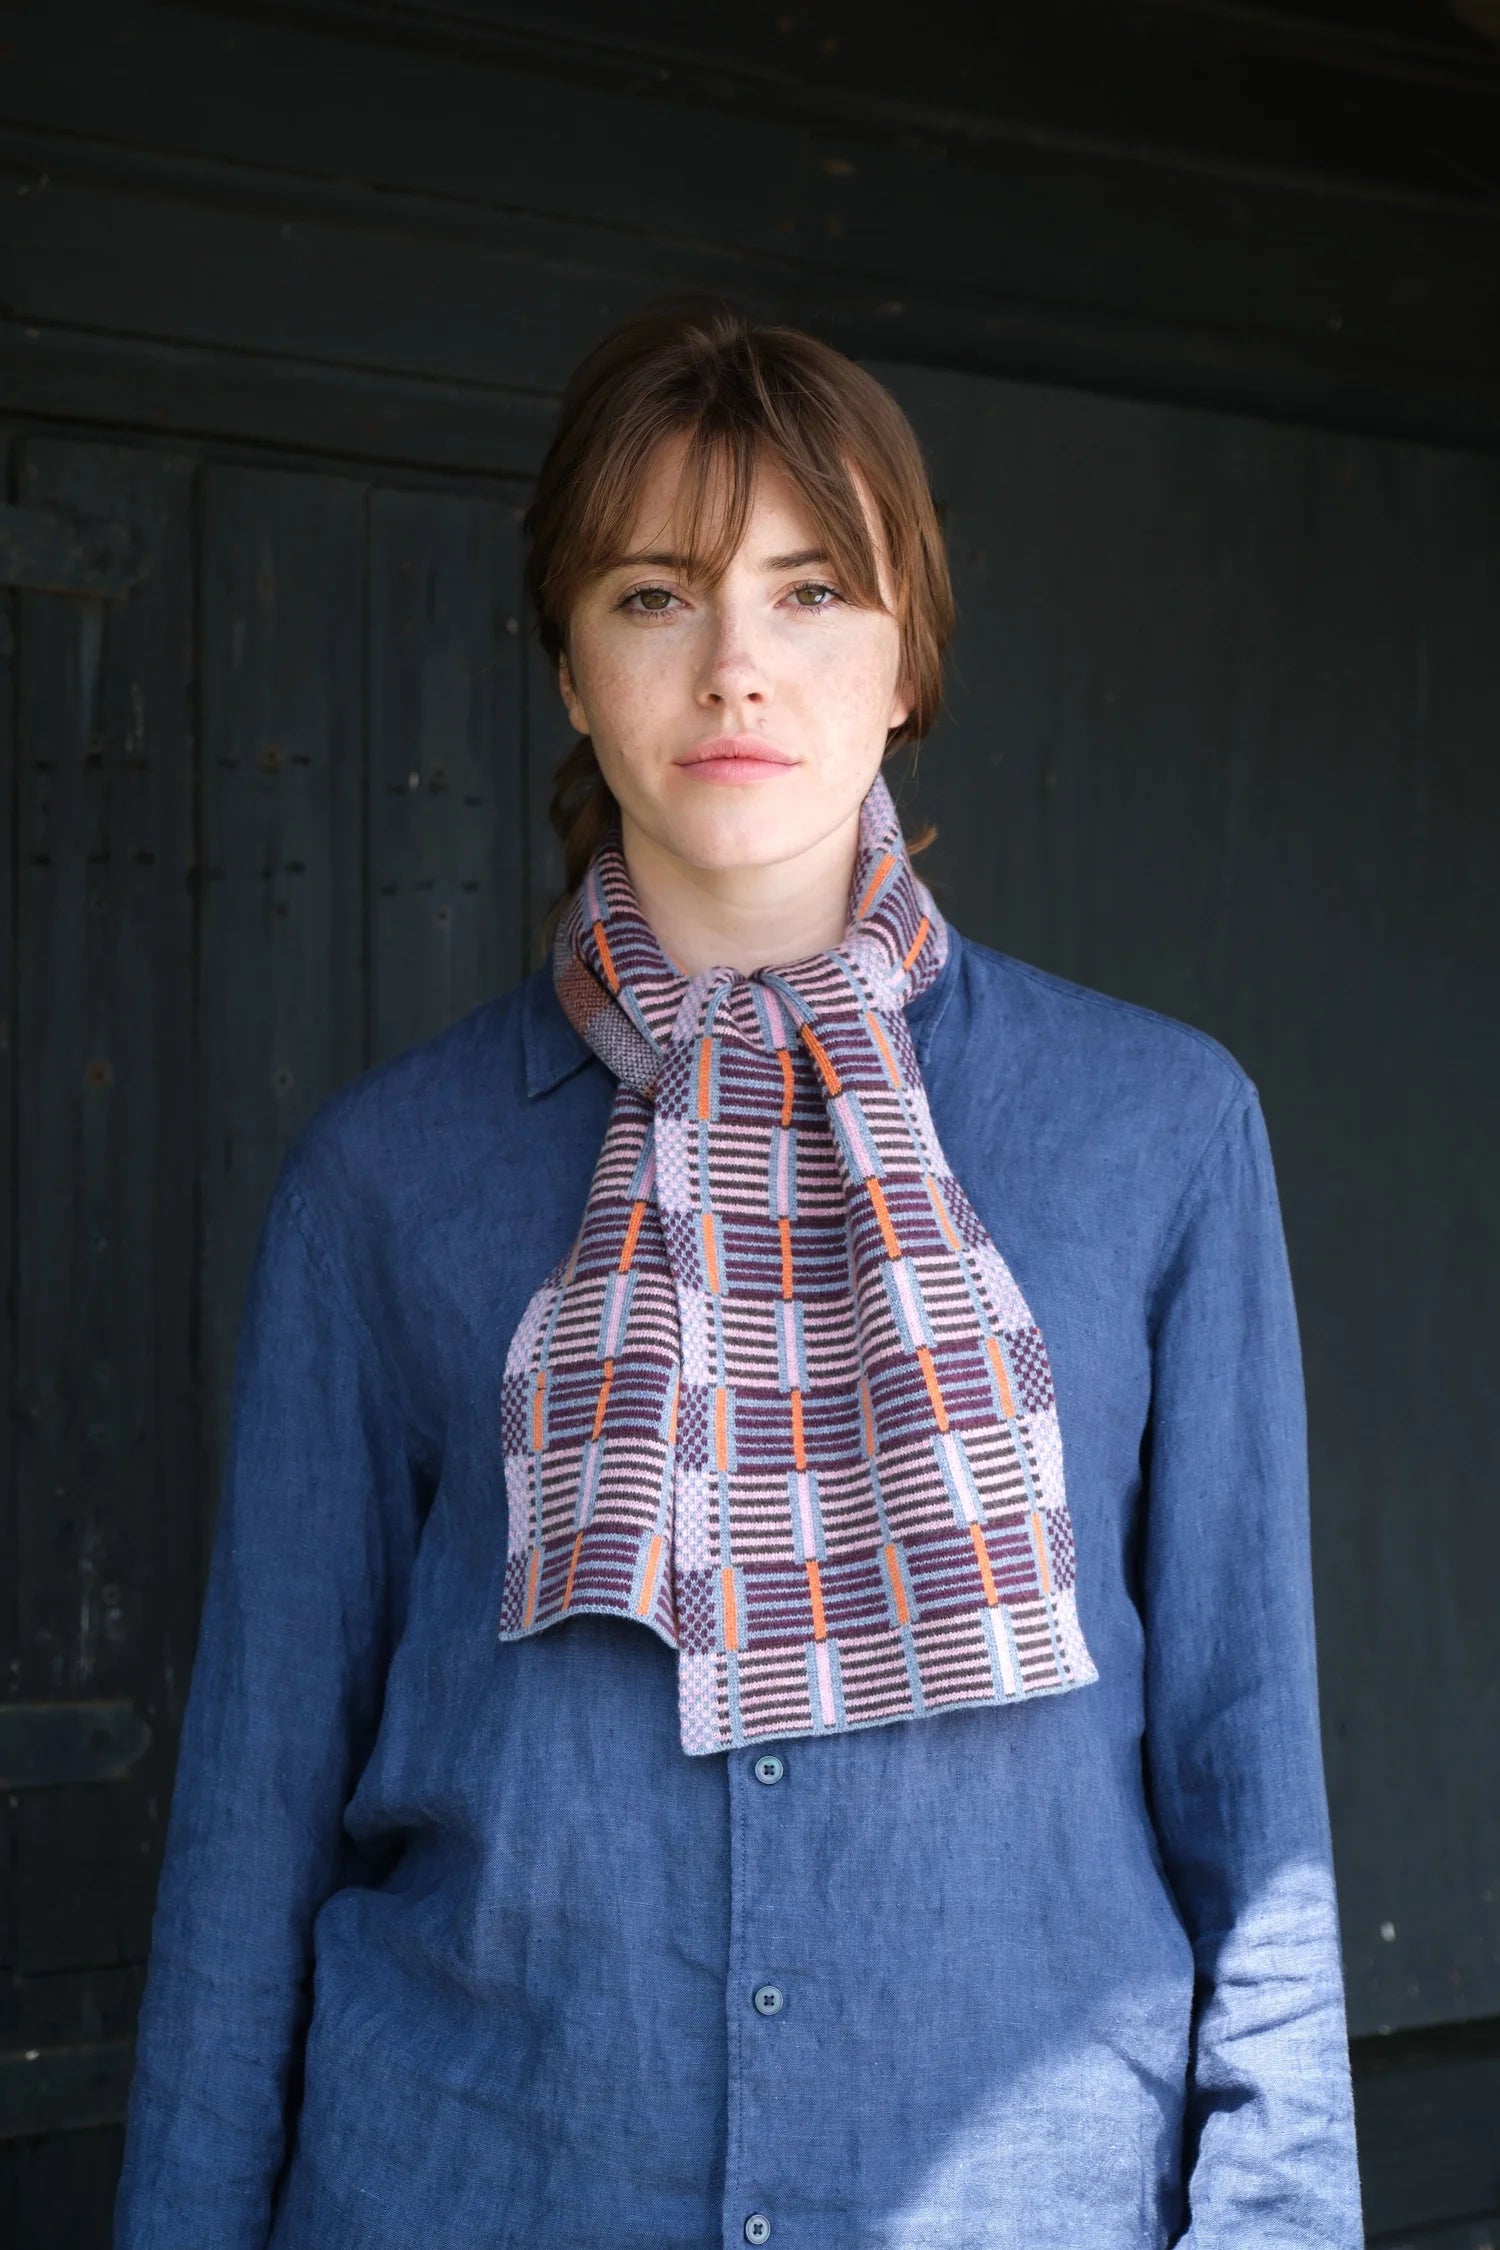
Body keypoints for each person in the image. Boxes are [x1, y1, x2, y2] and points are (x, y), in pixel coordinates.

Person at [114, 302, 1364, 2249]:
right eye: (652, 595)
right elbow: (251, 1819)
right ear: (567, 662)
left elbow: (1250, 1787)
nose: (733, 667)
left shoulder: (1161, 1131)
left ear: (907, 658)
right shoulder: (384, 1180)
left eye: (810, 591)